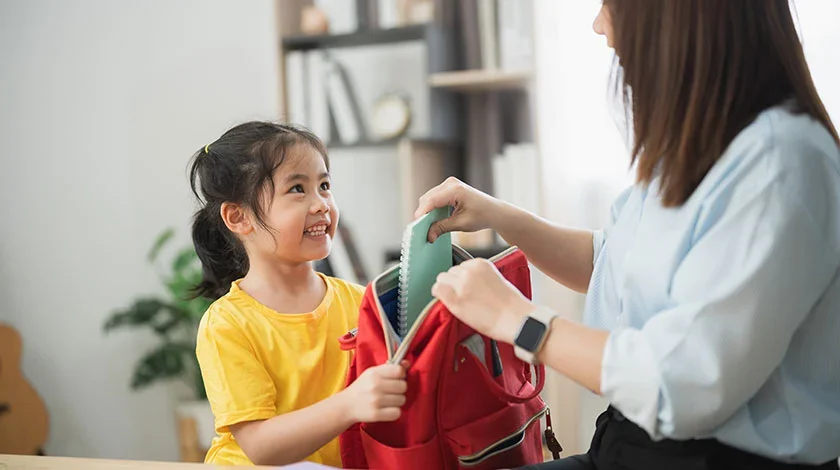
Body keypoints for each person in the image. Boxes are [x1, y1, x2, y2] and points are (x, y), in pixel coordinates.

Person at [416, 1, 840, 469]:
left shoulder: (780, 164)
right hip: (628, 446)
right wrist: (500, 215)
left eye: (609, 6)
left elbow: (681, 382)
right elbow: (611, 262)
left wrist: (518, 319)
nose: (599, 26)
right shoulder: (697, 146)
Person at [188, 122, 407, 467]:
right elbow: (261, 447)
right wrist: (351, 403)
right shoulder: (227, 325)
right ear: (238, 217)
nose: (321, 204)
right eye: (297, 189)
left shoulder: (362, 302)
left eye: (324, 185)